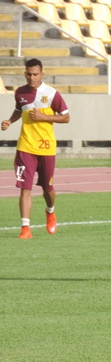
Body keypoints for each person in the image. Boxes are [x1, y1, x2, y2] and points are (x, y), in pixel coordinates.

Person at [2, 58, 70, 239]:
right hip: (26, 146)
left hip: (46, 148)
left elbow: (66, 117)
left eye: (35, 74)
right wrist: (10, 120)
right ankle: (25, 228)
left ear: (42, 74)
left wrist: (43, 117)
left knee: (48, 188)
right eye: (28, 74)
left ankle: (50, 211)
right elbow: (19, 109)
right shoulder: (20, 92)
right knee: (25, 188)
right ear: (25, 73)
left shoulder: (52, 94)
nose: (31, 77)